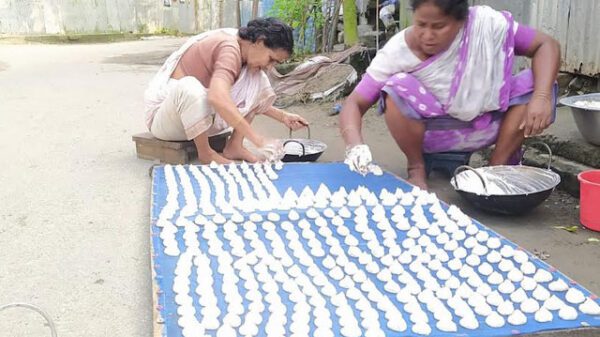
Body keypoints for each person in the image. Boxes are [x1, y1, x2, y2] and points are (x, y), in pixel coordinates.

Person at [340, 0, 560, 189]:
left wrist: (541, 98)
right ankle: (416, 168)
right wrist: (355, 145)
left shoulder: (485, 25)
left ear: (462, 22)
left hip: (490, 126)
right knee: (396, 88)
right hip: (435, 133)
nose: (427, 35)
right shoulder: (398, 51)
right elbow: (355, 103)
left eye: (439, 26)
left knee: (540, 83)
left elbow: (546, 45)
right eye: (421, 25)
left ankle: (495, 168)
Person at [144, 18, 308, 164]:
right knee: (190, 87)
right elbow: (217, 97)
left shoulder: (245, 52)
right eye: (271, 59)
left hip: (196, 120)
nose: (269, 66)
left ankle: (234, 145)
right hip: (167, 121)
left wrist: (283, 116)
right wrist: (258, 140)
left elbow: (252, 99)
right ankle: (206, 153)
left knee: (257, 78)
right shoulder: (229, 48)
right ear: (259, 41)